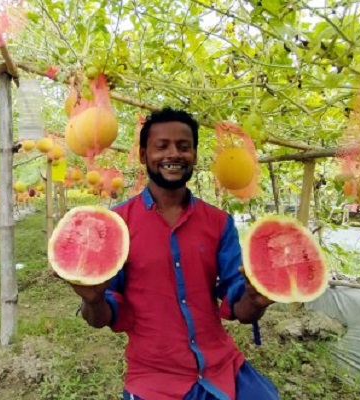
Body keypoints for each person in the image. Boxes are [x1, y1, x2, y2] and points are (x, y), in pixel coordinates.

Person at [64, 108, 280, 400]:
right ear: (143, 155)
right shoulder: (117, 225)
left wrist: (255, 301)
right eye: (161, 146)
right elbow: (101, 316)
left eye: (184, 146)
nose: (174, 154)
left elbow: (239, 307)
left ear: (194, 154)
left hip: (221, 366)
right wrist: (92, 299)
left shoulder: (218, 222)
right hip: (154, 377)